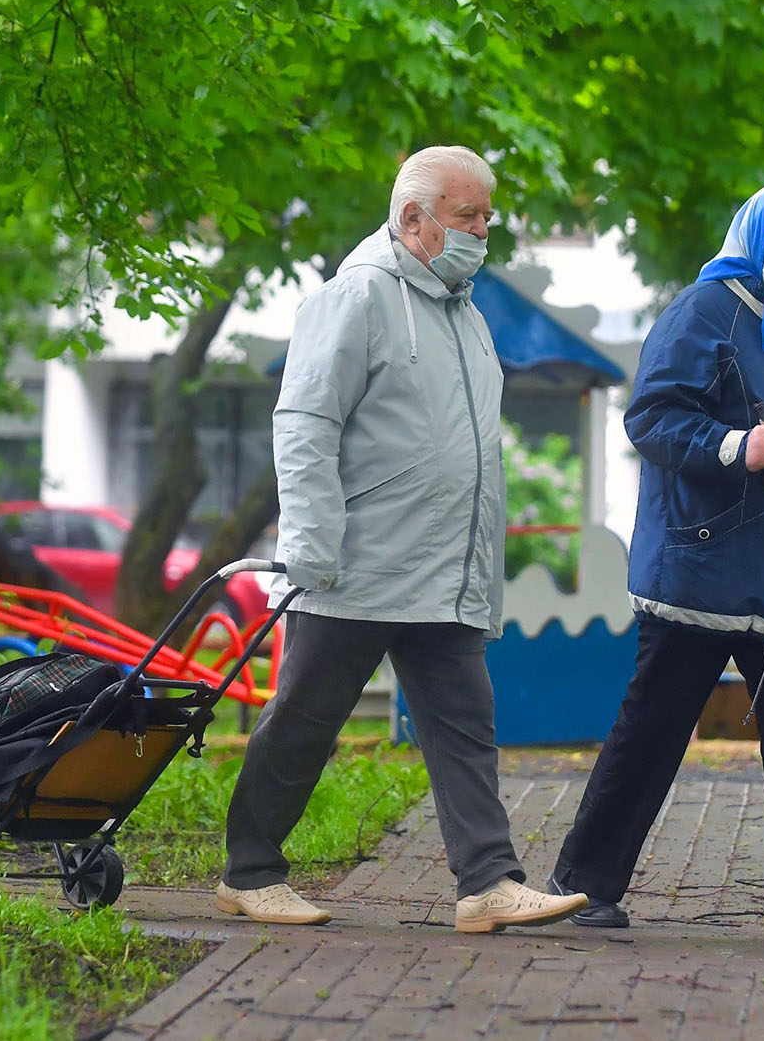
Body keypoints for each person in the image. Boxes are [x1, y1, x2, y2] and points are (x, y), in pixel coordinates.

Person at [215, 146, 588, 934]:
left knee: (465, 722)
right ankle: (248, 872)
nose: (482, 231)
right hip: (358, 561)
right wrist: (312, 541)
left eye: (487, 216)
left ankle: (488, 880)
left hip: (442, 569)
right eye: (466, 216)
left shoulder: (467, 314)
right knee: (306, 721)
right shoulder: (354, 298)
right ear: (413, 220)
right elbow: (305, 422)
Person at [547, 183, 764, 943]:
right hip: (703, 572)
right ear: (754, 233)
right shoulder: (703, 310)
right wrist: (733, 446)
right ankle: (581, 887)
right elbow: (651, 415)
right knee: (652, 731)